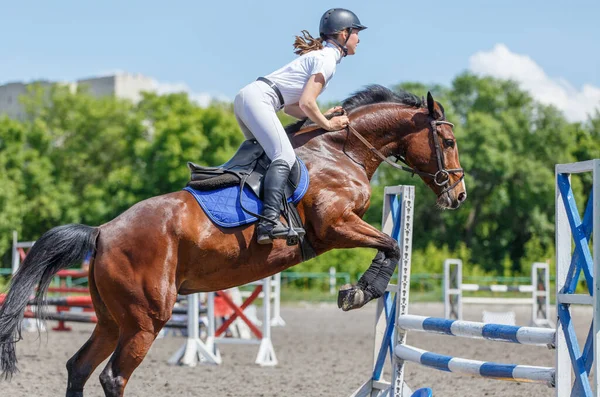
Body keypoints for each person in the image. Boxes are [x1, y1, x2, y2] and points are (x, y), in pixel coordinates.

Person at [233, 8, 367, 245]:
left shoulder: (322, 56)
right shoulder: (327, 59)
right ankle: (268, 222)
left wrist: (321, 115)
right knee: (284, 157)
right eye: (356, 32)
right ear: (344, 34)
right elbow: (306, 103)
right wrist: (328, 124)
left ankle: (249, 209)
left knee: (266, 157)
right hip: (260, 100)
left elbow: (292, 108)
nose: (359, 38)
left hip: (250, 98)